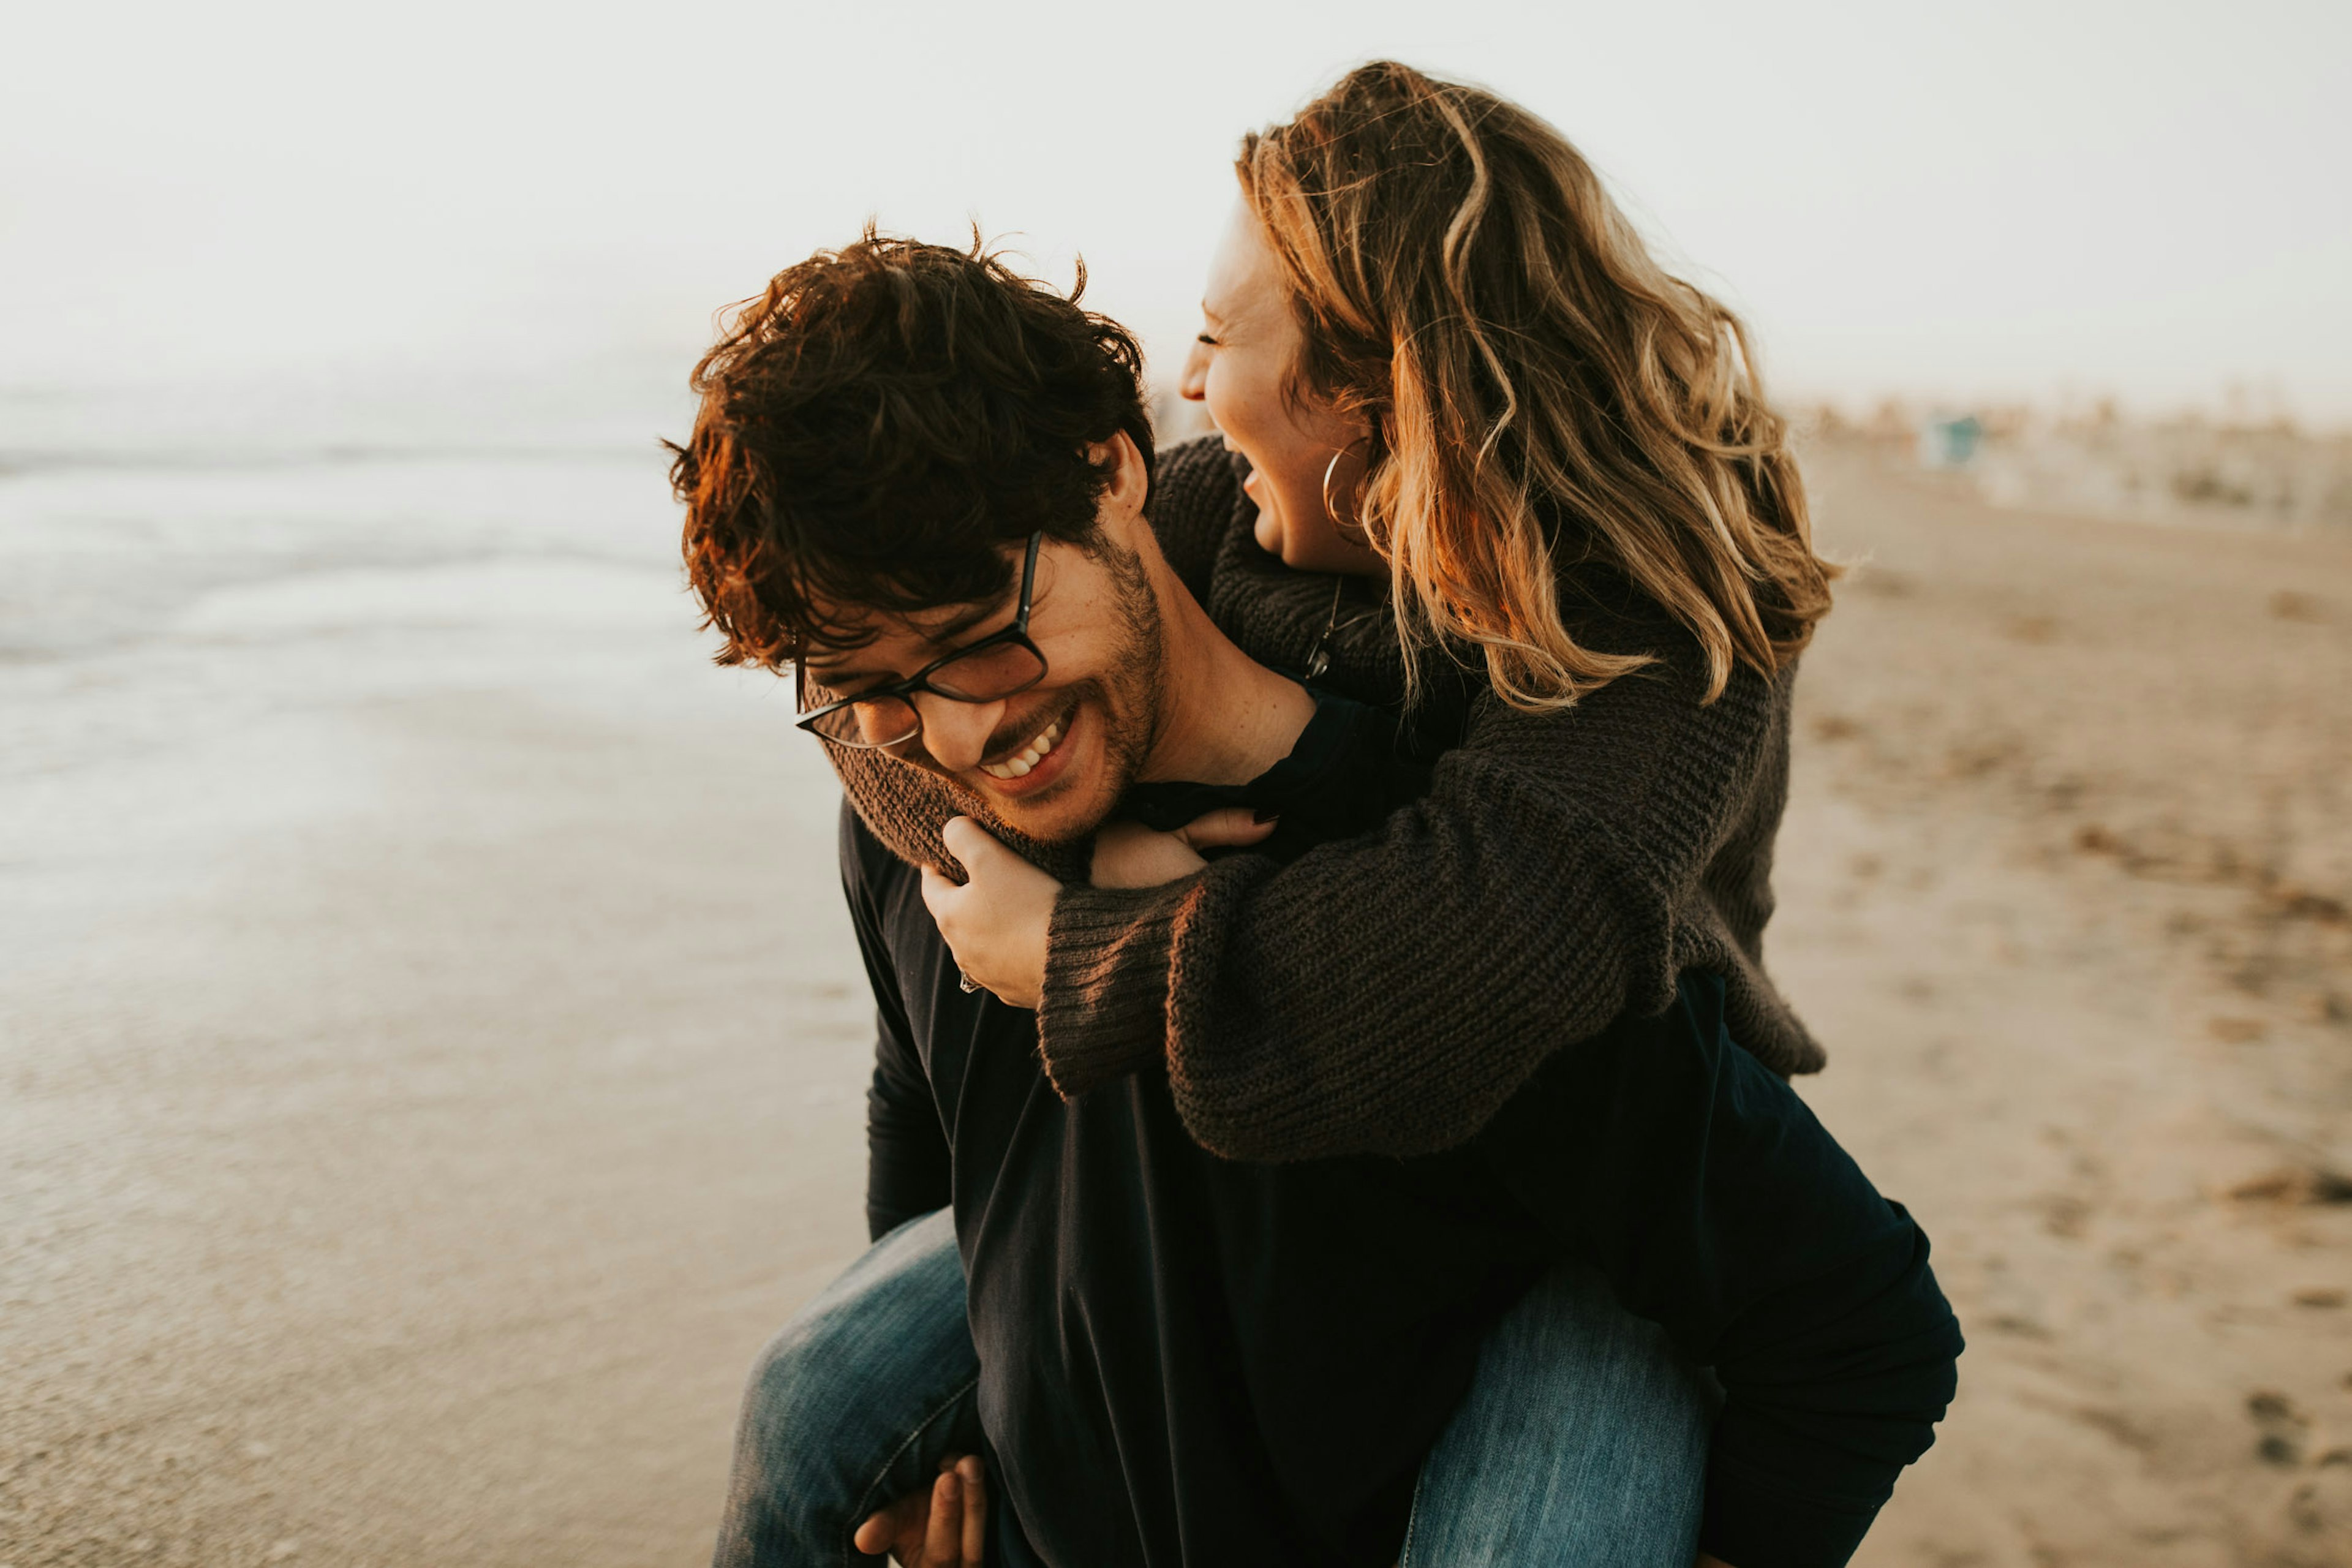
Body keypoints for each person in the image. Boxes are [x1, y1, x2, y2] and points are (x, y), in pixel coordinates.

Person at [673, 226, 1960, 1568]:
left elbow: (1859, 1325)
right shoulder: (909, 822)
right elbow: (928, 1108)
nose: (952, 736)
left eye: (975, 642)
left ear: (1111, 469)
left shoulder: (1427, 918)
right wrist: (942, 1432)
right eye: (871, 687)